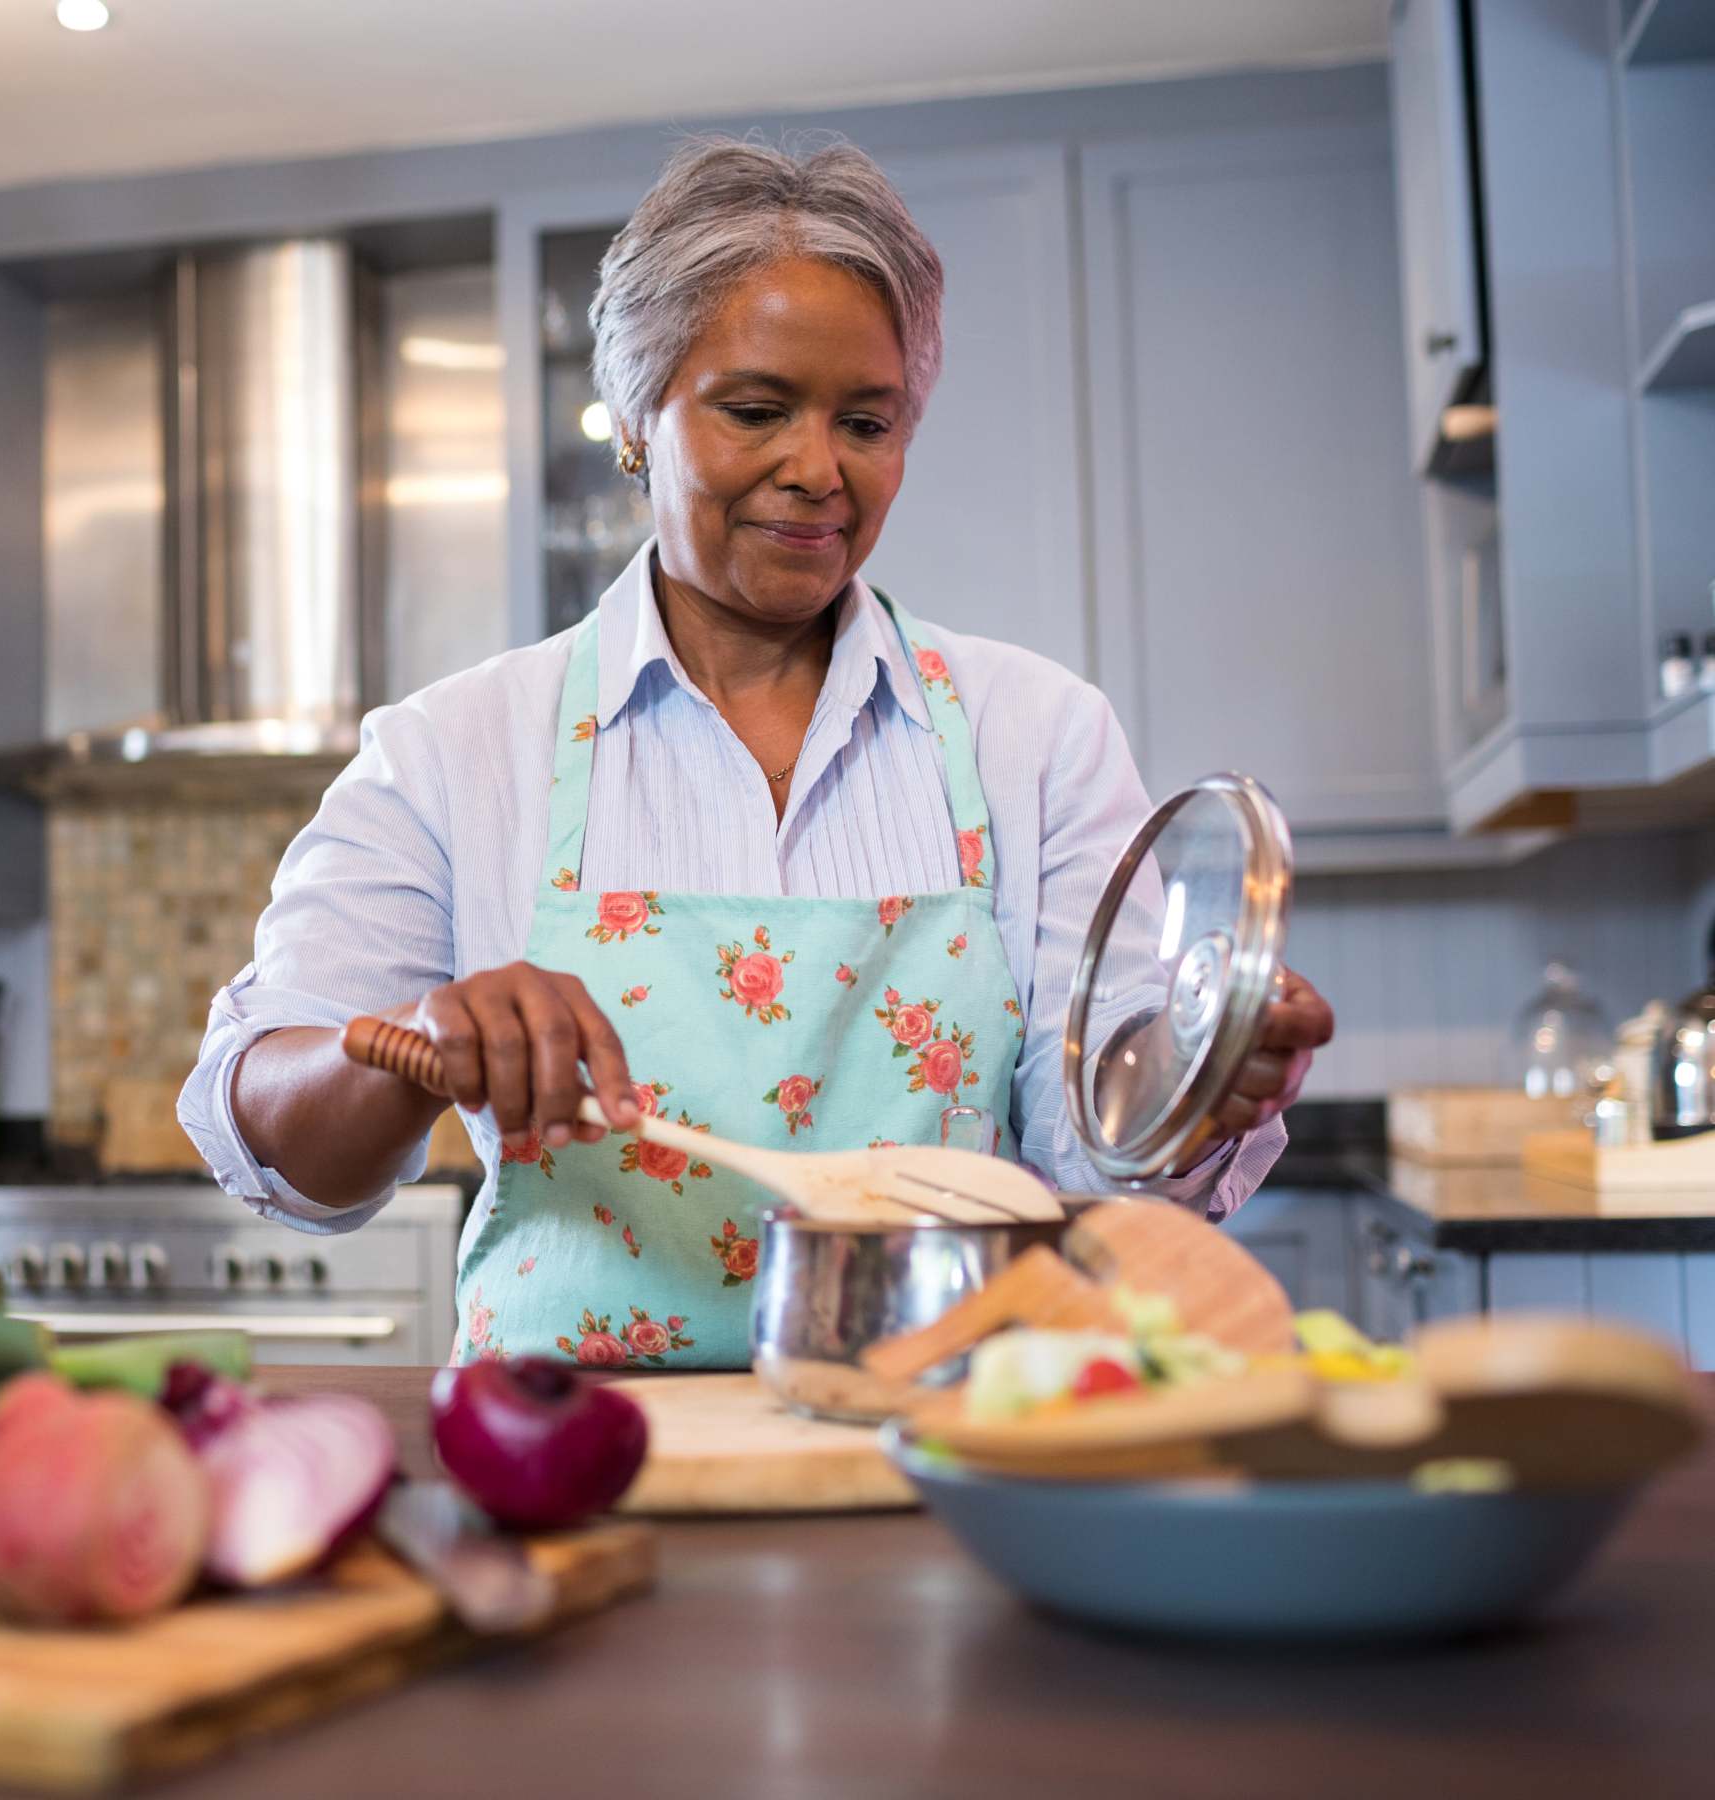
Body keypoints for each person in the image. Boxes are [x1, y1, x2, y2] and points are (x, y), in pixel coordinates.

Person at [180, 137, 1334, 1370]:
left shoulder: (1036, 733)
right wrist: (412, 1040)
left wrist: (1200, 1071)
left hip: (948, 1451)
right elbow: (269, 1132)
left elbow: (1096, 1167)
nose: (817, 469)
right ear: (636, 419)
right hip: (571, 1468)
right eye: (755, 408)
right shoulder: (454, 752)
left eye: (867, 421)